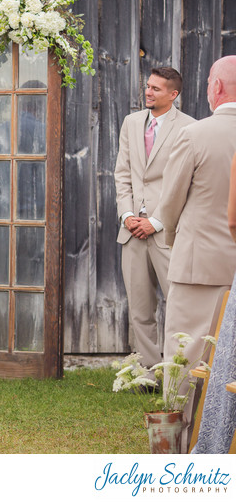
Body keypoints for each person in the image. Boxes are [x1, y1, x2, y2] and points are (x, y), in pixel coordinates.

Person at [154, 55, 236, 450]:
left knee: (185, 355)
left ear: (216, 87)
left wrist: (172, 238)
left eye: (207, 82)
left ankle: (180, 444)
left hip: (198, 263)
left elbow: (170, 201)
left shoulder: (196, 134)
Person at [114, 67, 195, 371]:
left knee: (178, 306)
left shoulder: (189, 128)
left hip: (168, 232)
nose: (148, 92)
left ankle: (179, 371)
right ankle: (147, 372)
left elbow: (186, 183)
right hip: (132, 232)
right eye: (148, 87)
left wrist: (157, 221)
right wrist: (128, 215)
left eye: (156, 89)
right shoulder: (131, 123)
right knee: (140, 309)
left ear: (173, 95)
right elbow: (123, 173)